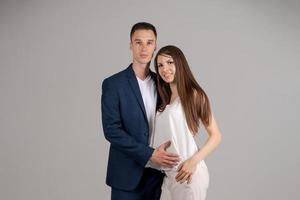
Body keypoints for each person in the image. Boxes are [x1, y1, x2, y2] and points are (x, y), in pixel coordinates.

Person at [101, 23, 180, 200]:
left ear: (155, 46)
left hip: (157, 175)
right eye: (138, 42)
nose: (144, 48)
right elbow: (111, 130)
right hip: (126, 175)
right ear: (130, 45)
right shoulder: (113, 84)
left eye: (149, 43)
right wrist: (150, 153)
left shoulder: (162, 83)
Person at [148, 45, 222, 200]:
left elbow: (216, 136)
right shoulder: (164, 99)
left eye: (170, 63)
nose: (164, 69)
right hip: (167, 176)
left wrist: (193, 161)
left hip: (188, 173)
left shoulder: (194, 95)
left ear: (180, 63)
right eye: (160, 65)